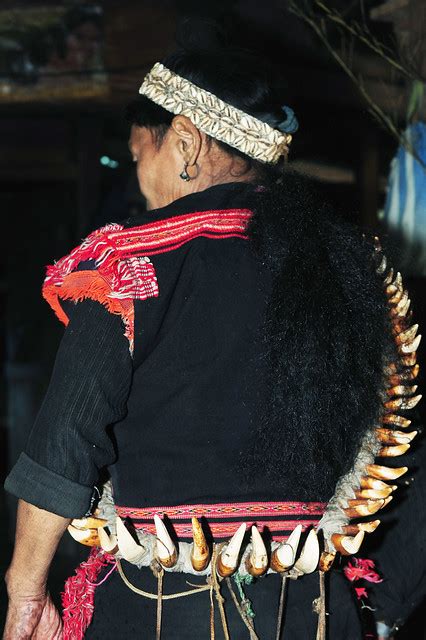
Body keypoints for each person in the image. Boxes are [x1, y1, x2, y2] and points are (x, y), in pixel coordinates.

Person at [3, 36, 420, 640]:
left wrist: (25, 593)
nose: (139, 179)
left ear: (186, 141)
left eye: (138, 155)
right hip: (319, 611)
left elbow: (63, 447)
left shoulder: (130, 265)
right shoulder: (353, 271)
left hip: (165, 608)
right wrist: (380, 610)